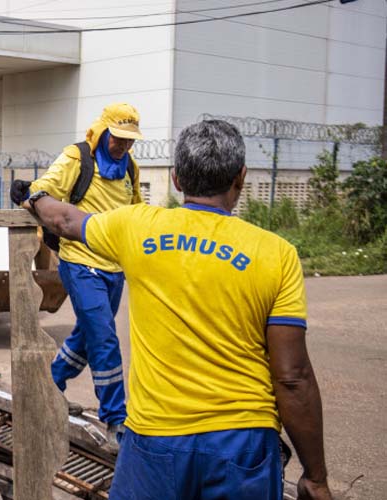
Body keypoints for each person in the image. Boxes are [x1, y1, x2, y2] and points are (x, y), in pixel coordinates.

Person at [20, 120, 332, 500]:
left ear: (177, 179)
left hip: (154, 441)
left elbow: (65, 219)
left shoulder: (138, 226)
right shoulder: (276, 254)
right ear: (241, 177)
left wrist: (34, 197)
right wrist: (315, 477)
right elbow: (292, 377)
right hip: (242, 443)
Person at [10, 102, 143, 431]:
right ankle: (115, 418)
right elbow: (46, 189)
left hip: (115, 267)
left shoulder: (130, 168)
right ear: (102, 131)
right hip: (81, 263)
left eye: (129, 139)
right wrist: (26, 194)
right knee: (104, 338)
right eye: (118, 137)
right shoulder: (78, 158)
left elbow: (136, 210)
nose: (124, 145)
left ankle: (47, 386)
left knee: (87, 334)